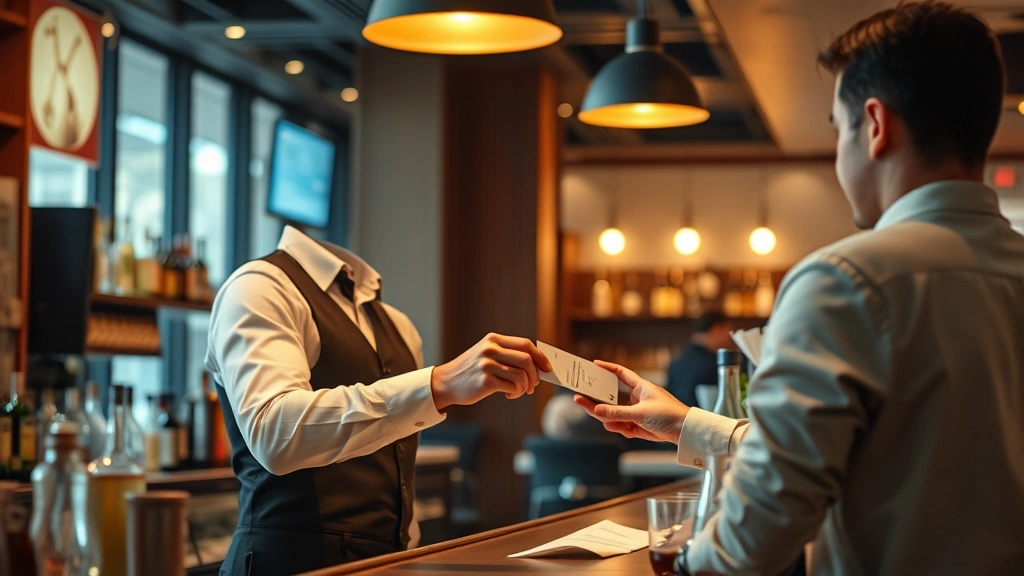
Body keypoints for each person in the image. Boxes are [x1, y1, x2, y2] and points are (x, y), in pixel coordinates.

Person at [575, 3, 1024, 575]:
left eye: (839, 131)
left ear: (877, 125)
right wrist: (688, 423)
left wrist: (686, 564)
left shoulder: (842, 281)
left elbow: (758, 529)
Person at [206, 226, 552, 575]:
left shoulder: (400, 327)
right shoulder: (259, 287)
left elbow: (399, 480)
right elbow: (275, 433)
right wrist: (437, 384)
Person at [665, 312, 732, 408]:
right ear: (717, 330)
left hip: (677, 420)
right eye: (727, 331)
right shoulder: (715, 364)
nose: (728, 337)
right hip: (704, 422)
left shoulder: (677, 361)